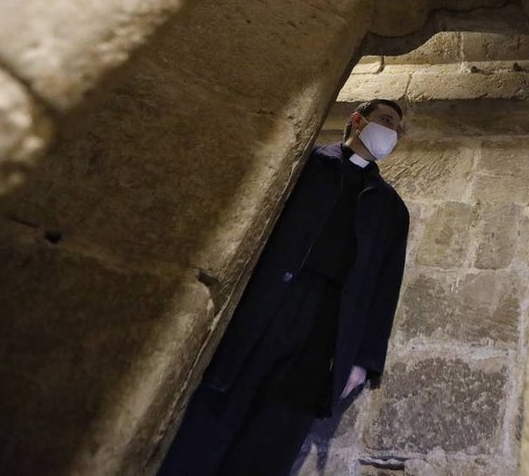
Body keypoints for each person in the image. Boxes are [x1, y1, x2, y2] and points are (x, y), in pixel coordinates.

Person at [158, 99, 410, 476]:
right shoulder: (306, 165)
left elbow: (384, 287)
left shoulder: (391, 208)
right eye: (386, 120)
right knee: (218, 405)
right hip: (270, 300)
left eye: (398, 129)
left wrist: (363, 360)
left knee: (278, 428)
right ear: (358, 120)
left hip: (327, 324)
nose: (392, 132)